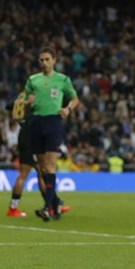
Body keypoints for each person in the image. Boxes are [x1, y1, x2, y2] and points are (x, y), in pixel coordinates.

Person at [24, 47, 79, 221]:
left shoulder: (62, 80)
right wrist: (27, 101)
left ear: (54, 60)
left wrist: (68, 109)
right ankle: (56, 202)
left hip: (54, 122)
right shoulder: (33, 80)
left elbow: (74, 98)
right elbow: (25, 101)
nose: (43, 63)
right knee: (42, 168)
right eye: (41, 60)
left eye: (47, 59)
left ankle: (47, 208)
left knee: (49, 167)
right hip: (36, 122)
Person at [6, 93, 70, 217]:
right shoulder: (35, 97)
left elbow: (9, 106)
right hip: (32, 135)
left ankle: (13, 208)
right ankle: (51, 205)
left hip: (23, 134)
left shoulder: (21, 96)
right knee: (42, 173)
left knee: (25, 173)